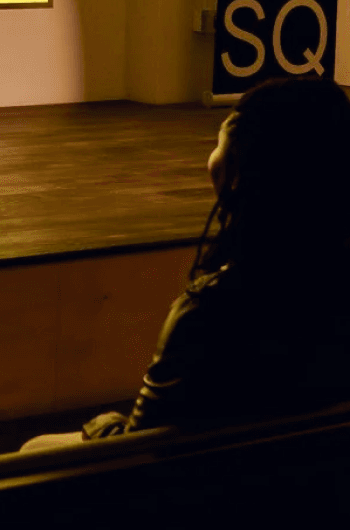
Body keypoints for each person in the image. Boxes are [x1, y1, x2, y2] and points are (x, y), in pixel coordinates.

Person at [31, 75, 350, 449]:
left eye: (219, 143)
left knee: (33, 448)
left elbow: (143, 449)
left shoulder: (212, 309)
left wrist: (102, 425)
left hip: (202, 491)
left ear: (238, 173)